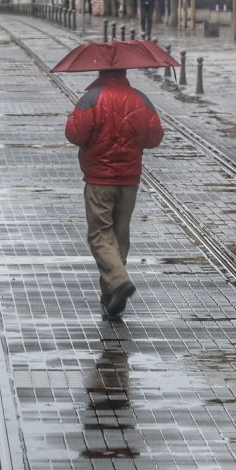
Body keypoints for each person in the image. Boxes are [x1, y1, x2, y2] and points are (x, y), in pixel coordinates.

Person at [65, 68, 165, 318]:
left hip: (100, 179)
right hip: (129, 180)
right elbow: (154, 138)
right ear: (124, 71)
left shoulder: (91, 99)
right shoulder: (140, 98)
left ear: (101, 71)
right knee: (119, 236)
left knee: (100, 234)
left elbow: (75, 134)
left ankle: (119, 282)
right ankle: (110, 295)